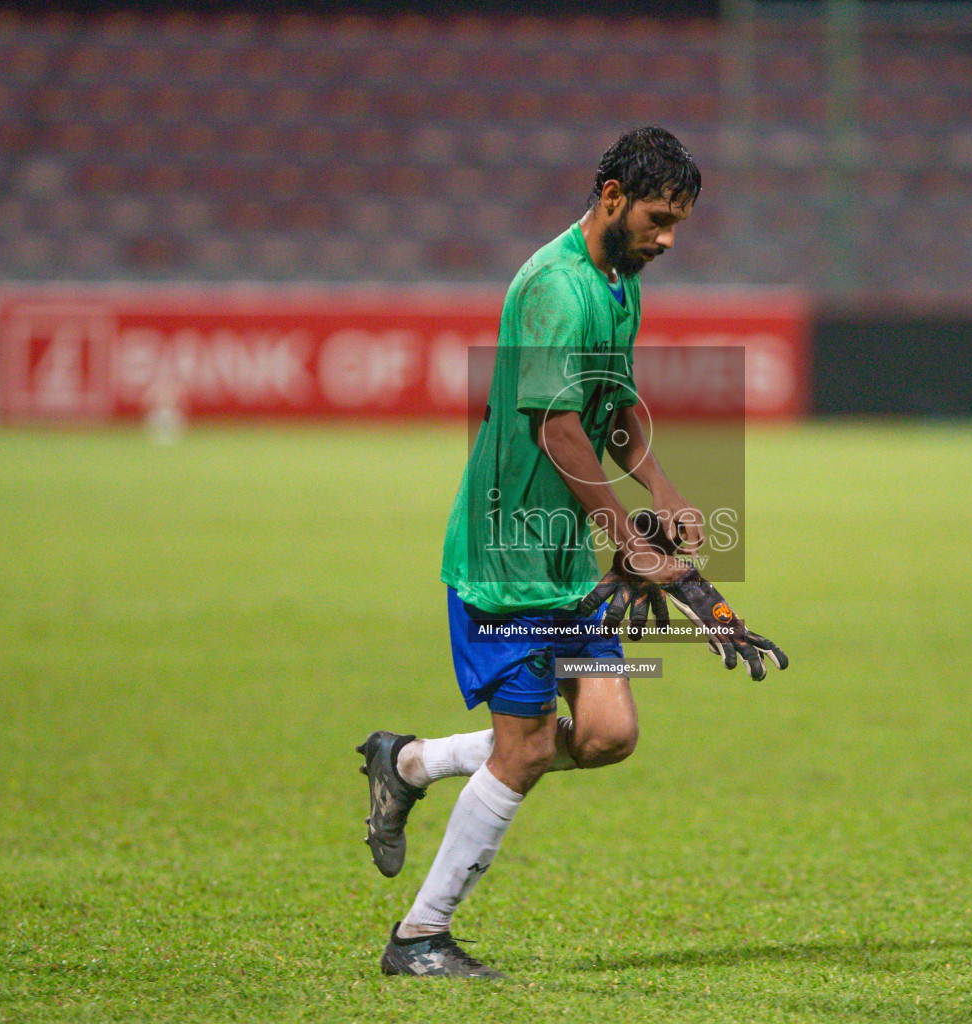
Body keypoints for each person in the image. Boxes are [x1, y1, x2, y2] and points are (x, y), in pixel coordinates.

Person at [359, 126, 787, 979]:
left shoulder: (620, 283)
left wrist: (664, 492)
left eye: (679, 225)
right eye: (659, 219)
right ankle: (419, 937)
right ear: (611, 196)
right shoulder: (555, 287)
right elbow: (556, 426)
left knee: (606, 733)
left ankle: (408, 763)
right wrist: (627, 537)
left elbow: (613, 406)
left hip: (564, 566)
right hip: (509, 558)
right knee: (521, 750)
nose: (668, 239)